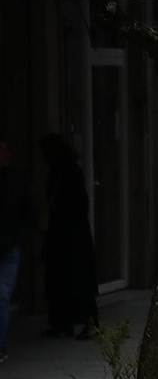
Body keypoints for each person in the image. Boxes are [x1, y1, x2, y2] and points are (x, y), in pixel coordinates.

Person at [39, 134, 98, 340]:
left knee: (76, 281)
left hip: (71, 236)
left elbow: (79, 204)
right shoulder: (62, 171)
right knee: (61, 281)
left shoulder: (69, 172)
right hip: (63, 235)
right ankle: (62, 323)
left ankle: (85, 323)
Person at [0, 139, 33, 363]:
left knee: (2, 297)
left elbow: (26, 211)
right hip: (10, 243)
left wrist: (19, 238)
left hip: (9, 246)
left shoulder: (17, 180)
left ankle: (1, 347)